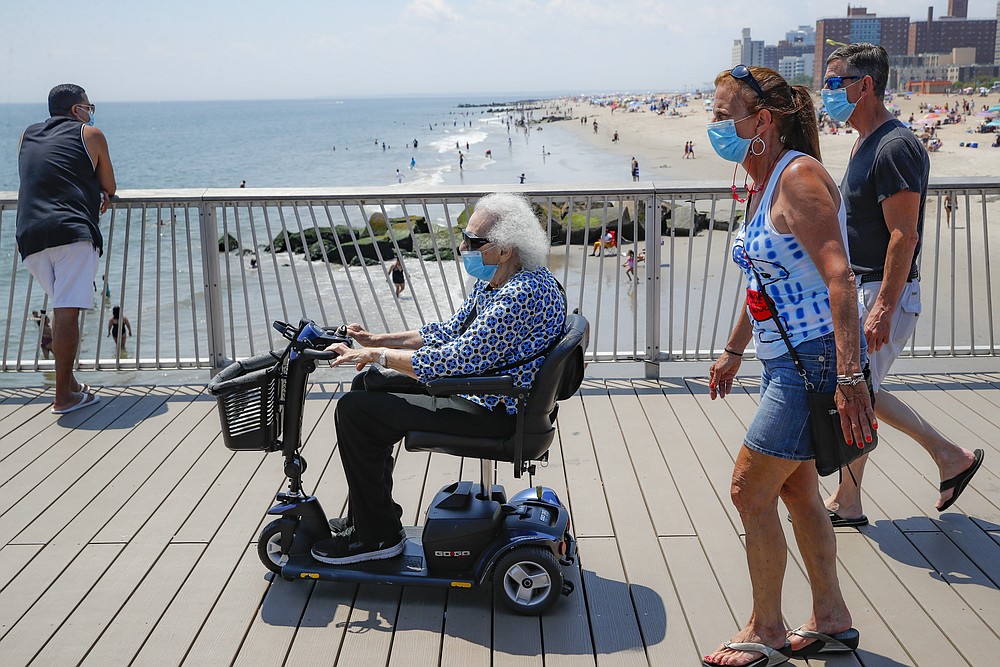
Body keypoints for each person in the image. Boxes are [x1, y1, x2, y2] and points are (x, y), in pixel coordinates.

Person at [704, 65, 874, 666]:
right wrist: (732, 350)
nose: (714, 124)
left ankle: (766, 628)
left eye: (725, 114)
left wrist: (851, 376)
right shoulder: (761, 182)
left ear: (762, 121)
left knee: (750, 490)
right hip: (784, 360)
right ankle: (831, 618)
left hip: (815, 360)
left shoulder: (798, 177)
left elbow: (839, 277)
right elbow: (764, 282)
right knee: (799, 489)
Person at [309, 193, 567, 565]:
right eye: (465, 237)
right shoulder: (497, 281)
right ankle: (370, 520)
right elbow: (446, 332)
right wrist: (376, 340)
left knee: (355, 410)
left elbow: (454, 361)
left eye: (474, 242)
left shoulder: (519, 295)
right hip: (489, 390)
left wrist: (378, 357)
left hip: (498, 410)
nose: (463, 247)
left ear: (507, 249)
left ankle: (376, 536)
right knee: (369, 385)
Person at [821, 44, 983, 523]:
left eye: (834, 83)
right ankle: (861, 493)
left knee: (855, 388)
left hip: (882, 292)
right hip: (864, 289)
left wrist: (883, 307)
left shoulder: (894, 147)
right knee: (860, 390)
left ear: (864, 85)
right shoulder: (864, 140)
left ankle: (945, 457)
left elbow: (903, 233)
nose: (826, 93)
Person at [16, 84, 115, 415]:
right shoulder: (91, 133)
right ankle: (63, 398)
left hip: (29, 236)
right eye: (89, 107)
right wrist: (98, 193)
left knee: (63, 311)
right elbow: (110, 185)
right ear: (77, 110)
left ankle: (70, 383)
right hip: (72, 232)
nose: (90, 112)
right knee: (67, 312)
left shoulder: (26, 135)